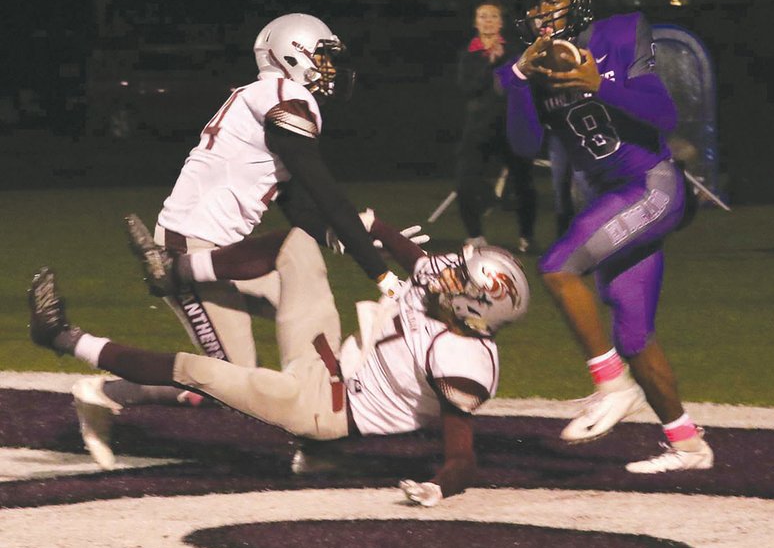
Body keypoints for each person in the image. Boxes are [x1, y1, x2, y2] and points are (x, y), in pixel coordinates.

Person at [69, 13, 425, 469]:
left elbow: (298, 203)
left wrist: (360, 241)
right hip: (191, 250)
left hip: (220, 252)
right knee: (231, 385)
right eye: (322, 57)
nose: (329, 69)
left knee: (313, 320)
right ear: (292, 52)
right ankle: (104, 393)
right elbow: (324, 191)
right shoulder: (287, 98)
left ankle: (316, 443)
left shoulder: (263, 97)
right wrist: (378, 269)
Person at [28, 213, 530, 507]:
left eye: (458, 279)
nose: (444, 274)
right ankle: (176, 271)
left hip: (322, 410)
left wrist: (437, 489)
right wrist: (356, 225)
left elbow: (461, 456)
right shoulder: (442, 282)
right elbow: (379, 228)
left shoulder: (464, 360)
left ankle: (61, 335)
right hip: (328, 357)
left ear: (475, 305)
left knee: (197, 370)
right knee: (297, 245)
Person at [496, 0, 713, 473]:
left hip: (650, 185)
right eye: (534, 5)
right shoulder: (532, 65)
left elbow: (664, 113)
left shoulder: (619, 32)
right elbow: (524, 145)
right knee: (633, 332)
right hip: (608, 197)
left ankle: (610, 383)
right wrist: (520, 81)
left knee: (557, 266)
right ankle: (688, 445)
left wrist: (601, 85)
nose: (545, 13)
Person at [455, 1, 538, 253]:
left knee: (523, 182)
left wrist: (502, 60)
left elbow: (523, 84)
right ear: (475, 22)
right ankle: (476, 236)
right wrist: (487, 63)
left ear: (501, 23)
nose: (488, 21)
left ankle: (526, 237)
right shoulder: (469, 54)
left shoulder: (513, 51)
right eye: (482, 16)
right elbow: (468, 88)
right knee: (465, 181)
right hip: (478, 128)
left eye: (493, 16)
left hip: (511, 126)